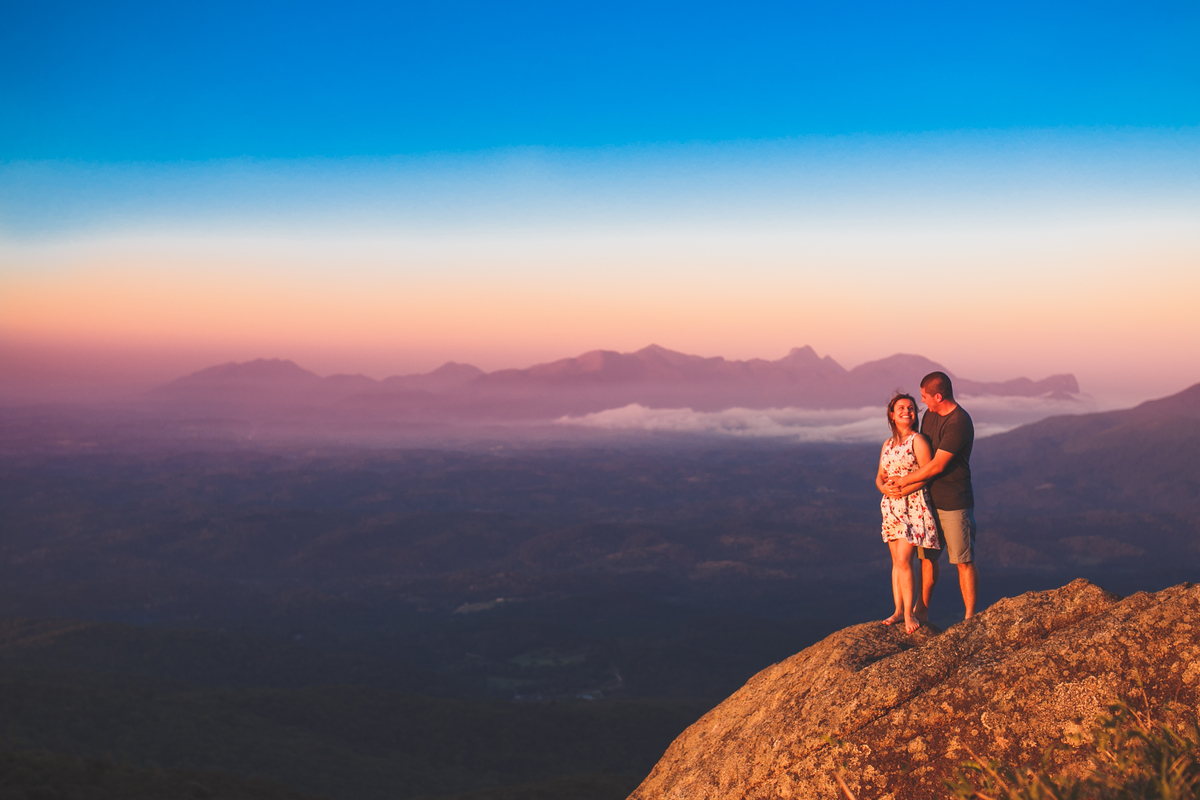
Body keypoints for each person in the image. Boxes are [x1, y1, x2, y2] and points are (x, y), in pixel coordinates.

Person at [888, 371, 978, 619]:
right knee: (927, 559)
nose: (923, 402)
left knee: (963, 560)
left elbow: (937, 465)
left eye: (925, 397)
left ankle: (970, 617)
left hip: (954, 500)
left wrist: (903, 482)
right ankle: (922, 610)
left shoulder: (959, 422)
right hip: (926, 501)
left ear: (938, 396)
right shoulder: (930, 415)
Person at [874, 393, 939, 634]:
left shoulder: (918, 441)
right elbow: (880, 475)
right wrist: (884, 489)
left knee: (904, 561)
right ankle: (898, 610)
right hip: (890, 506)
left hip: (913, 505)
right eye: (901, 407)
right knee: (896, 562)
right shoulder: (888, 444)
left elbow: (927, 473)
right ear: (891, 414)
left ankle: (910, 614)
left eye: (911, 408)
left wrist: (902, 490)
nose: (907, 411)